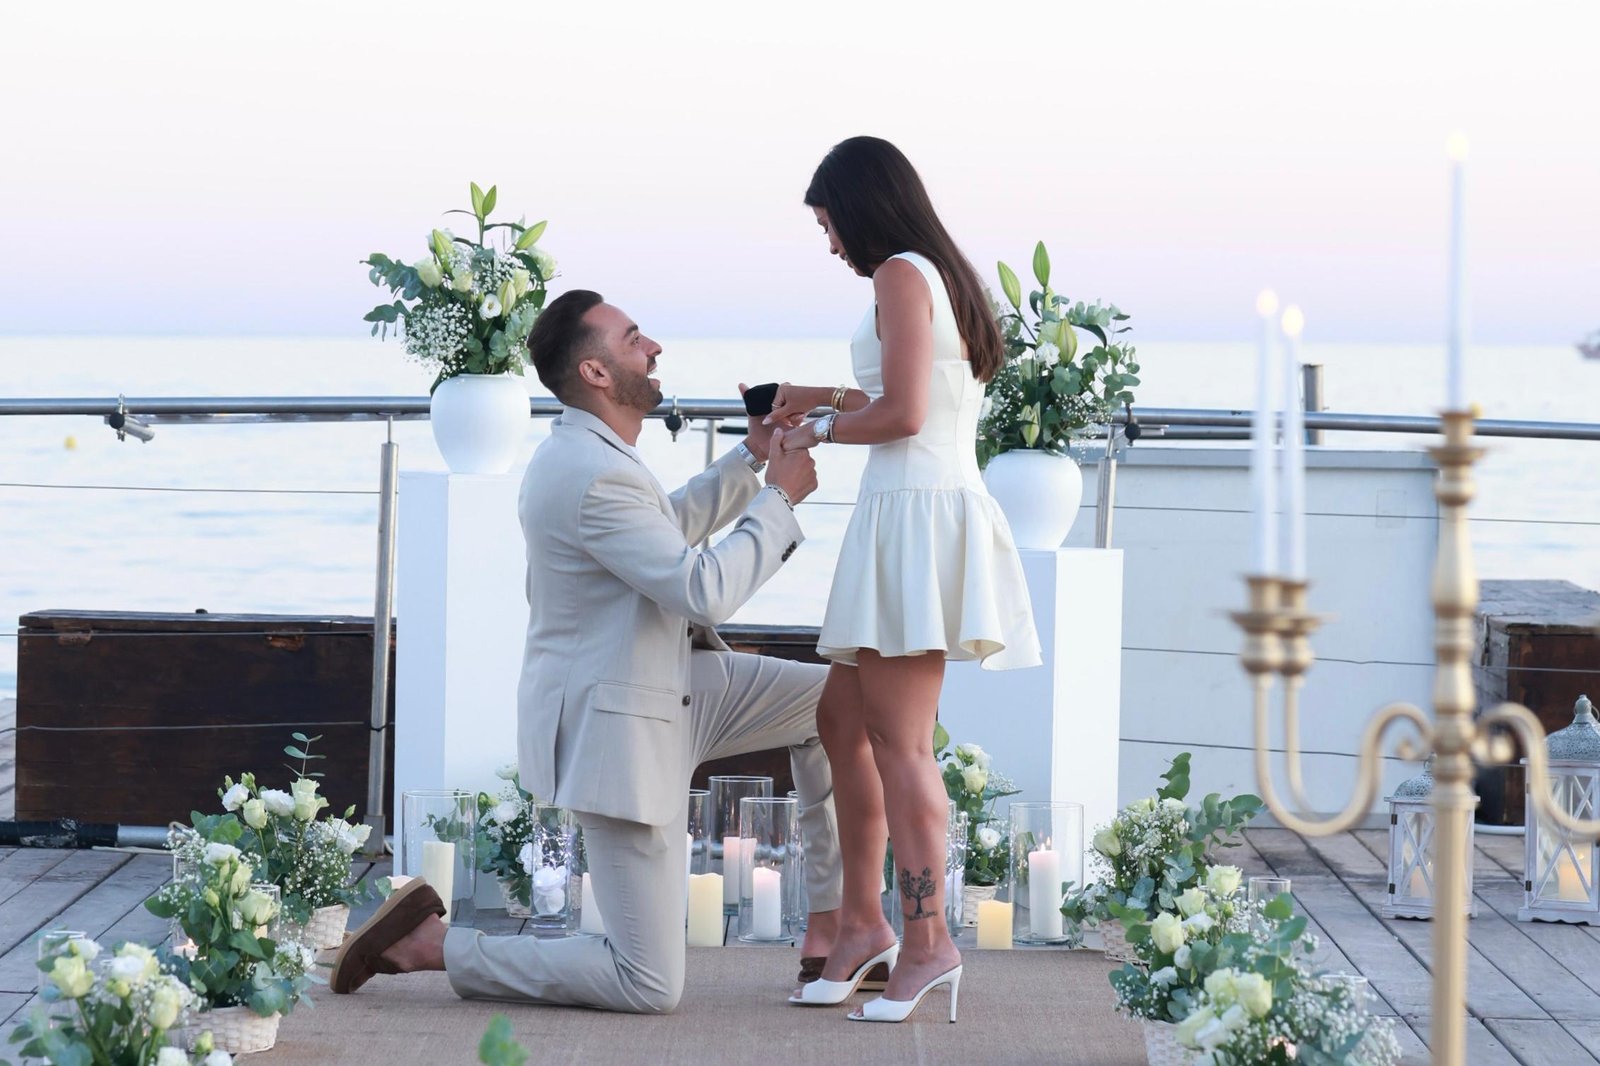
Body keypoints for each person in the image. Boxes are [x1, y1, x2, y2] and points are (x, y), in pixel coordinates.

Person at [332, 289, 850, 1014]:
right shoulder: (589, 472)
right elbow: (702, 590)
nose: (655, 347)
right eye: (634, 338)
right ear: (597, 372)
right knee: (648, 983)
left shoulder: (595, 456)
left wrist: (751, 457)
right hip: (621, 729)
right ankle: (433, 945)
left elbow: (660, 530)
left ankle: (837, 922)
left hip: (676, 686)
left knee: (839, 703)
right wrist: (780, 499)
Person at [773, 136, 1041, 1023]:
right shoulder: (932, 272)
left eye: (827, 222)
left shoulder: (897, 273)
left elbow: (907, 414)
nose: (828, 242)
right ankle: (864, 925)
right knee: (840, 722)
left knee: (900, 743)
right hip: (913, 515)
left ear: (861, 206)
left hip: (915, 522)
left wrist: (814, 433)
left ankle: (927, 941)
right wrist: (818, 398)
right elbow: (901, 399)